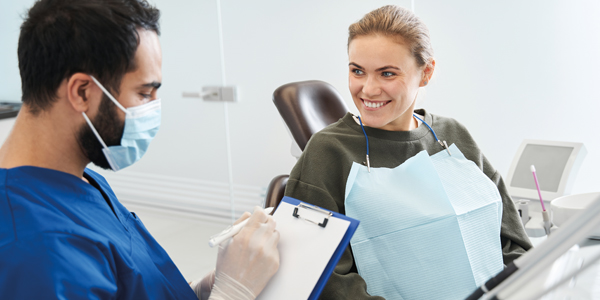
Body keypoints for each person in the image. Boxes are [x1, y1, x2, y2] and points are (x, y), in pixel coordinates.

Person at [0, 0, 279, 299]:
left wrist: (209, 287)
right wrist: (234, 293)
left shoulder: (78, 179)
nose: (153, 109)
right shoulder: (36, 249)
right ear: (82, 92)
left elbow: (136, 286)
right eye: (144, 93)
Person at [284, 5, 532, 300]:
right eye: (357, 71)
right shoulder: (328, 151)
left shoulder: (453, 136)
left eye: (387, 73)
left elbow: (513, 243)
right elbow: (321, 278)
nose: (368, 89)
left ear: (426, 73)